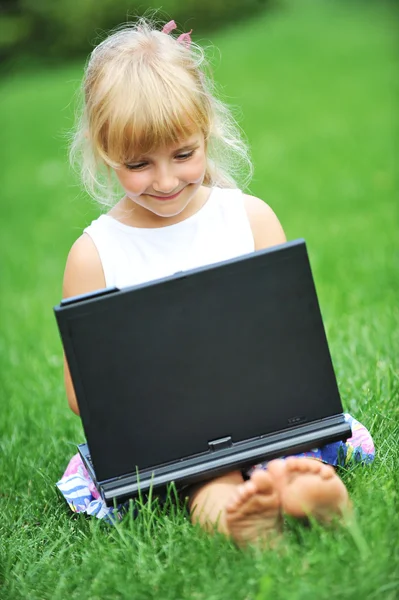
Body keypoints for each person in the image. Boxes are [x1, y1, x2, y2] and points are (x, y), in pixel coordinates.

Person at [57, 18, 375, 546]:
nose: (164, 181)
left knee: (282, 451)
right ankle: (235, 516)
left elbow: (294, 338)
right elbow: (80, 393)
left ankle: (304, 492)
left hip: (265, 412)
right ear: (103, 151)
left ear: (207, 130)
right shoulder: (94, 254)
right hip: (169, 436)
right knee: (207, 477)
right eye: (139, 164)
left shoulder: (248, 217)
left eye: (183, 155)